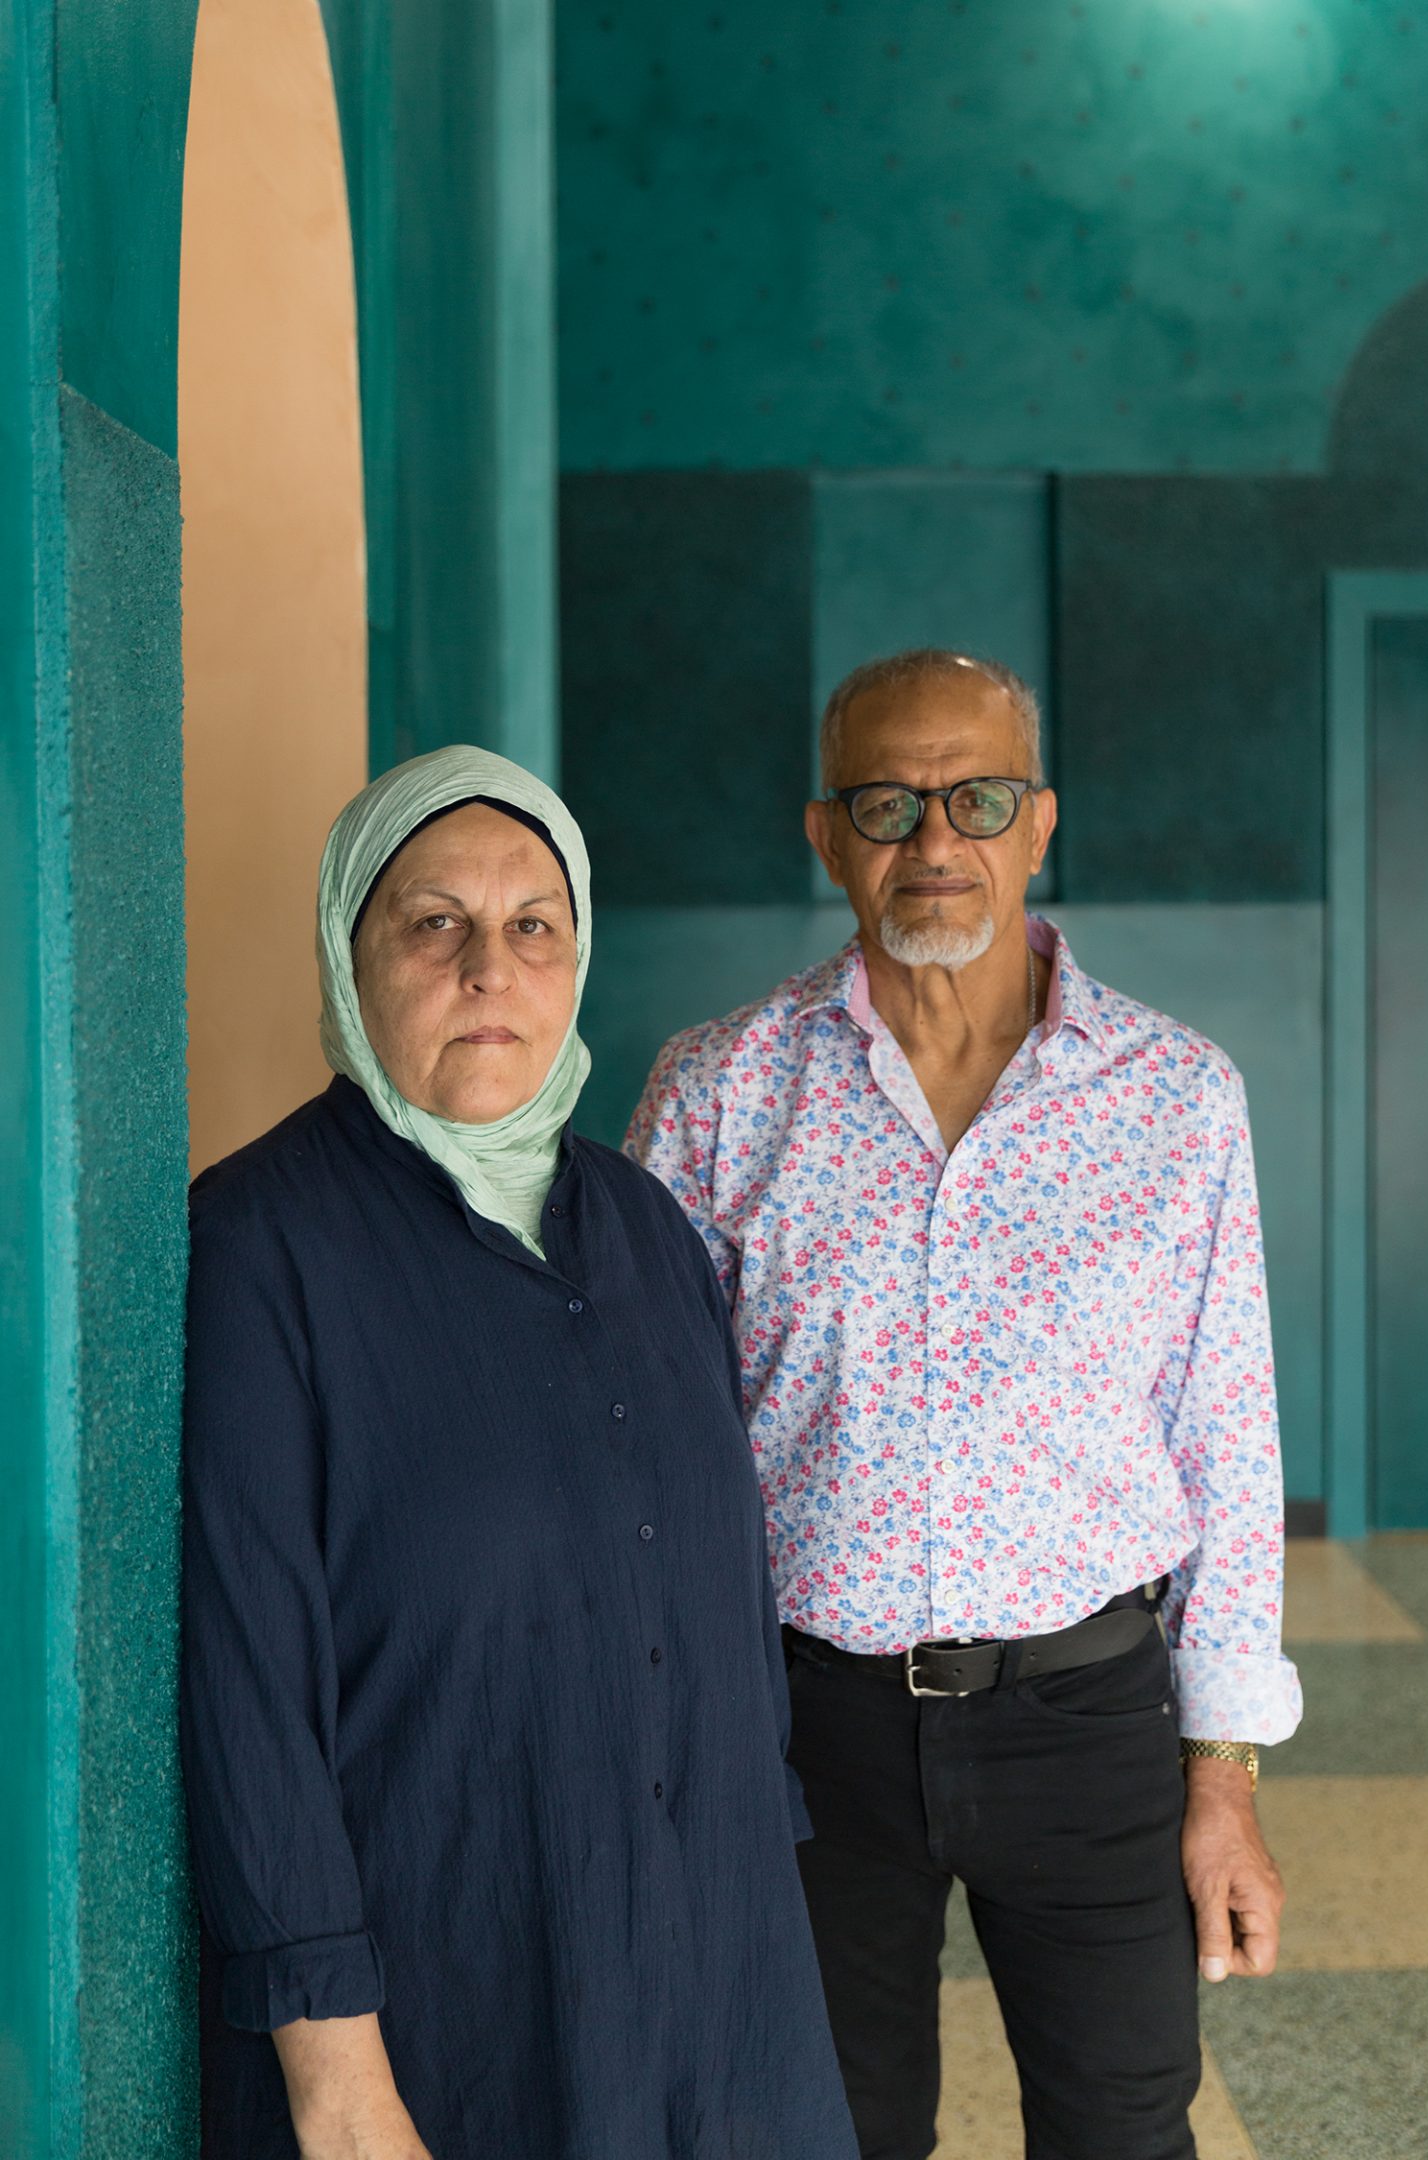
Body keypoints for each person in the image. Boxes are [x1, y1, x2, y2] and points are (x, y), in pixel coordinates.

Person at [627, 649, 1303, 2160]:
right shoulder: (718, 1090)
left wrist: (1225, 1780)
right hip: (805, 1732)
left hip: (1091, 1717)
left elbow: (1229, 1446)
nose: (934, 841)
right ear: (825, 833)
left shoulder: (1176, 1096)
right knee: (823, 2132)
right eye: (885, 801)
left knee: (1124, 2128)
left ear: (1039, 821)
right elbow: (646, 1453)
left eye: (976, 797)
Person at [180, 746, 858, 2160]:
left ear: (577, 958)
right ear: (350, 957)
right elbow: (246, 1680)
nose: (491, 966)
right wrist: (333, 2066)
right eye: (433, 923)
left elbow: (723, 1604)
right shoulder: (261, 1242)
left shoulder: (648, 1227)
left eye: (532, 924)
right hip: (444, 1984)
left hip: (713, 1969)